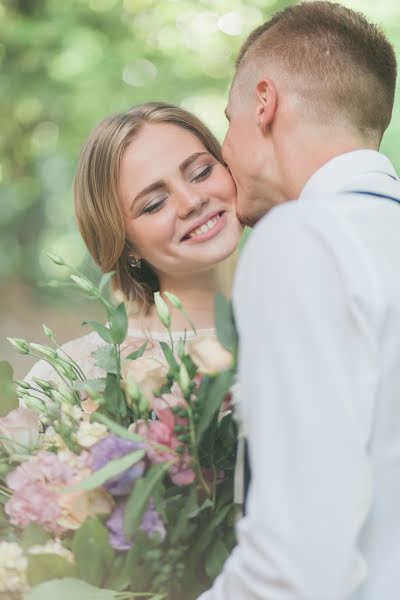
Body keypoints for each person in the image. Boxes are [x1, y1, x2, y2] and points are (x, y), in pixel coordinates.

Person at [199, 2, 400, 599]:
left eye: (228, 120)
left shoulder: (306, 237)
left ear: (264, 103)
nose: (225, 154)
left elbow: (298, 566)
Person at [25, 102, 243, 384]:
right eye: (154, 204)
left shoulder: (307, 314)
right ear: (125, 244)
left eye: (201, 173)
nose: (192, 201)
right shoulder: (76, 377)